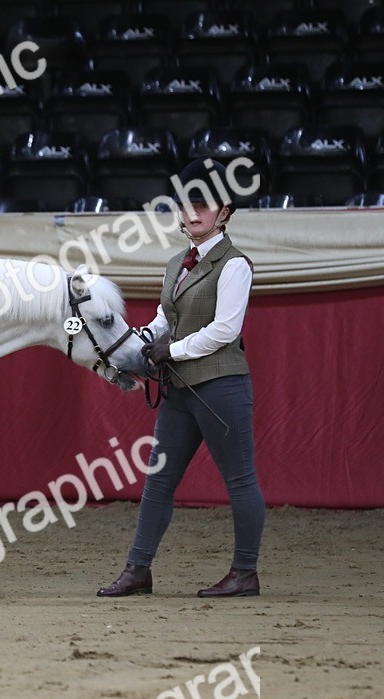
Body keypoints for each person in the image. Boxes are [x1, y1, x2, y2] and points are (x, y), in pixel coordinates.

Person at [97, 158, 265, 598]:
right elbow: (163, 320)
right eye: (186, 204)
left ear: (224, 211)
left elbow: (225, 330)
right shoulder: (176, 263)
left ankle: (245, 572)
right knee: (159, 480)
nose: (192, 213)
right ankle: (138, 570)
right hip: (180, 390)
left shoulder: (235, 265)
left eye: (203, 205)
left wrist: (169, 350)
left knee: (240, 480)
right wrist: (135, 344)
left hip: (222, 387)